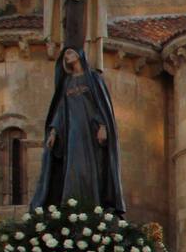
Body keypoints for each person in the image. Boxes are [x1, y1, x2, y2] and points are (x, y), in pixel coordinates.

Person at [30, 47, 126, 214]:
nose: (67, 57)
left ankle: (94, 205)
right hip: (73, 132)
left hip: (91, 131)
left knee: (93, 167)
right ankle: (70, 206)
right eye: (65, 54)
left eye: (70, 53)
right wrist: (53, 131)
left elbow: (101, 105)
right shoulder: (67, 82)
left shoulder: (93, 78)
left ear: (80, 55)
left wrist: (103, 126)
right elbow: (61, 109)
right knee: (72, 167)